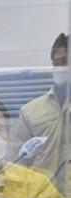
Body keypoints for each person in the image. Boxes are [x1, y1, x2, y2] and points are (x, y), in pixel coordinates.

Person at [13, 33, 69, 184]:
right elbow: (17, 160)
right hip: (43, 193)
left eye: (66, 62)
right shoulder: (30, 111)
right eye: (57, 62)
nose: (61, 68)